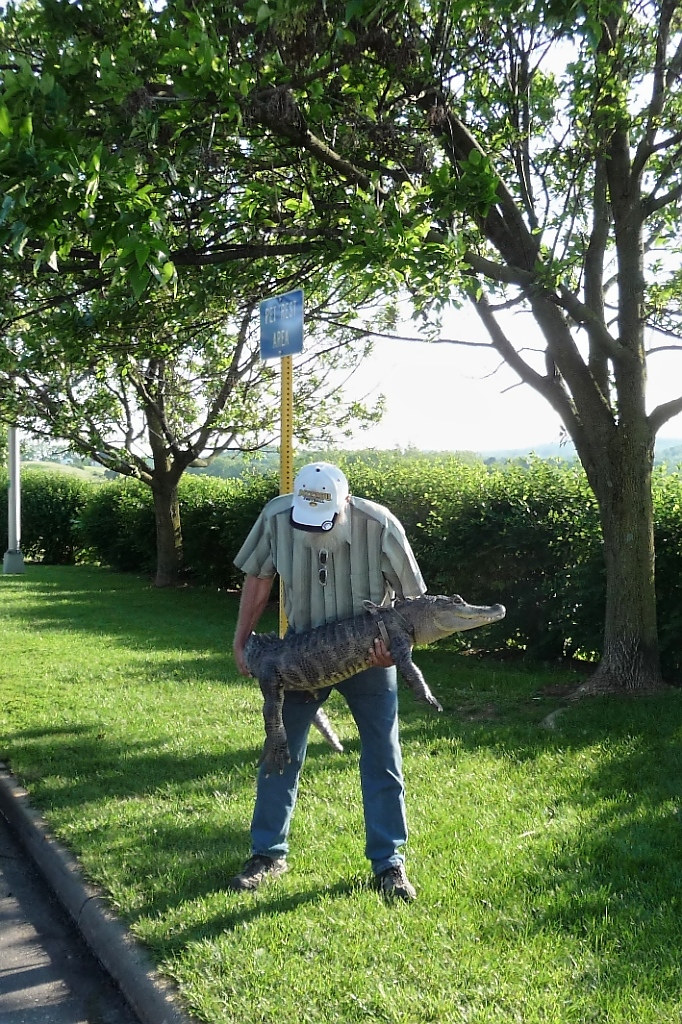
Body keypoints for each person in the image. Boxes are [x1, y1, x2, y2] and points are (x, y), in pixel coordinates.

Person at [230, 461, 427, 901]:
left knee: (383, 757)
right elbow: (259, 576)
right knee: (279, 751)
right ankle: (267, 854)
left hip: (370, 658)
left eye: (326, 520)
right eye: (308, 520)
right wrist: (241, 639)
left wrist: (393, 647)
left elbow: (414, 603)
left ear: (346, 504)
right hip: (300, 654)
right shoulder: (276, 517)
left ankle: (389, 863)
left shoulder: (381, 526)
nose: (315, 530)